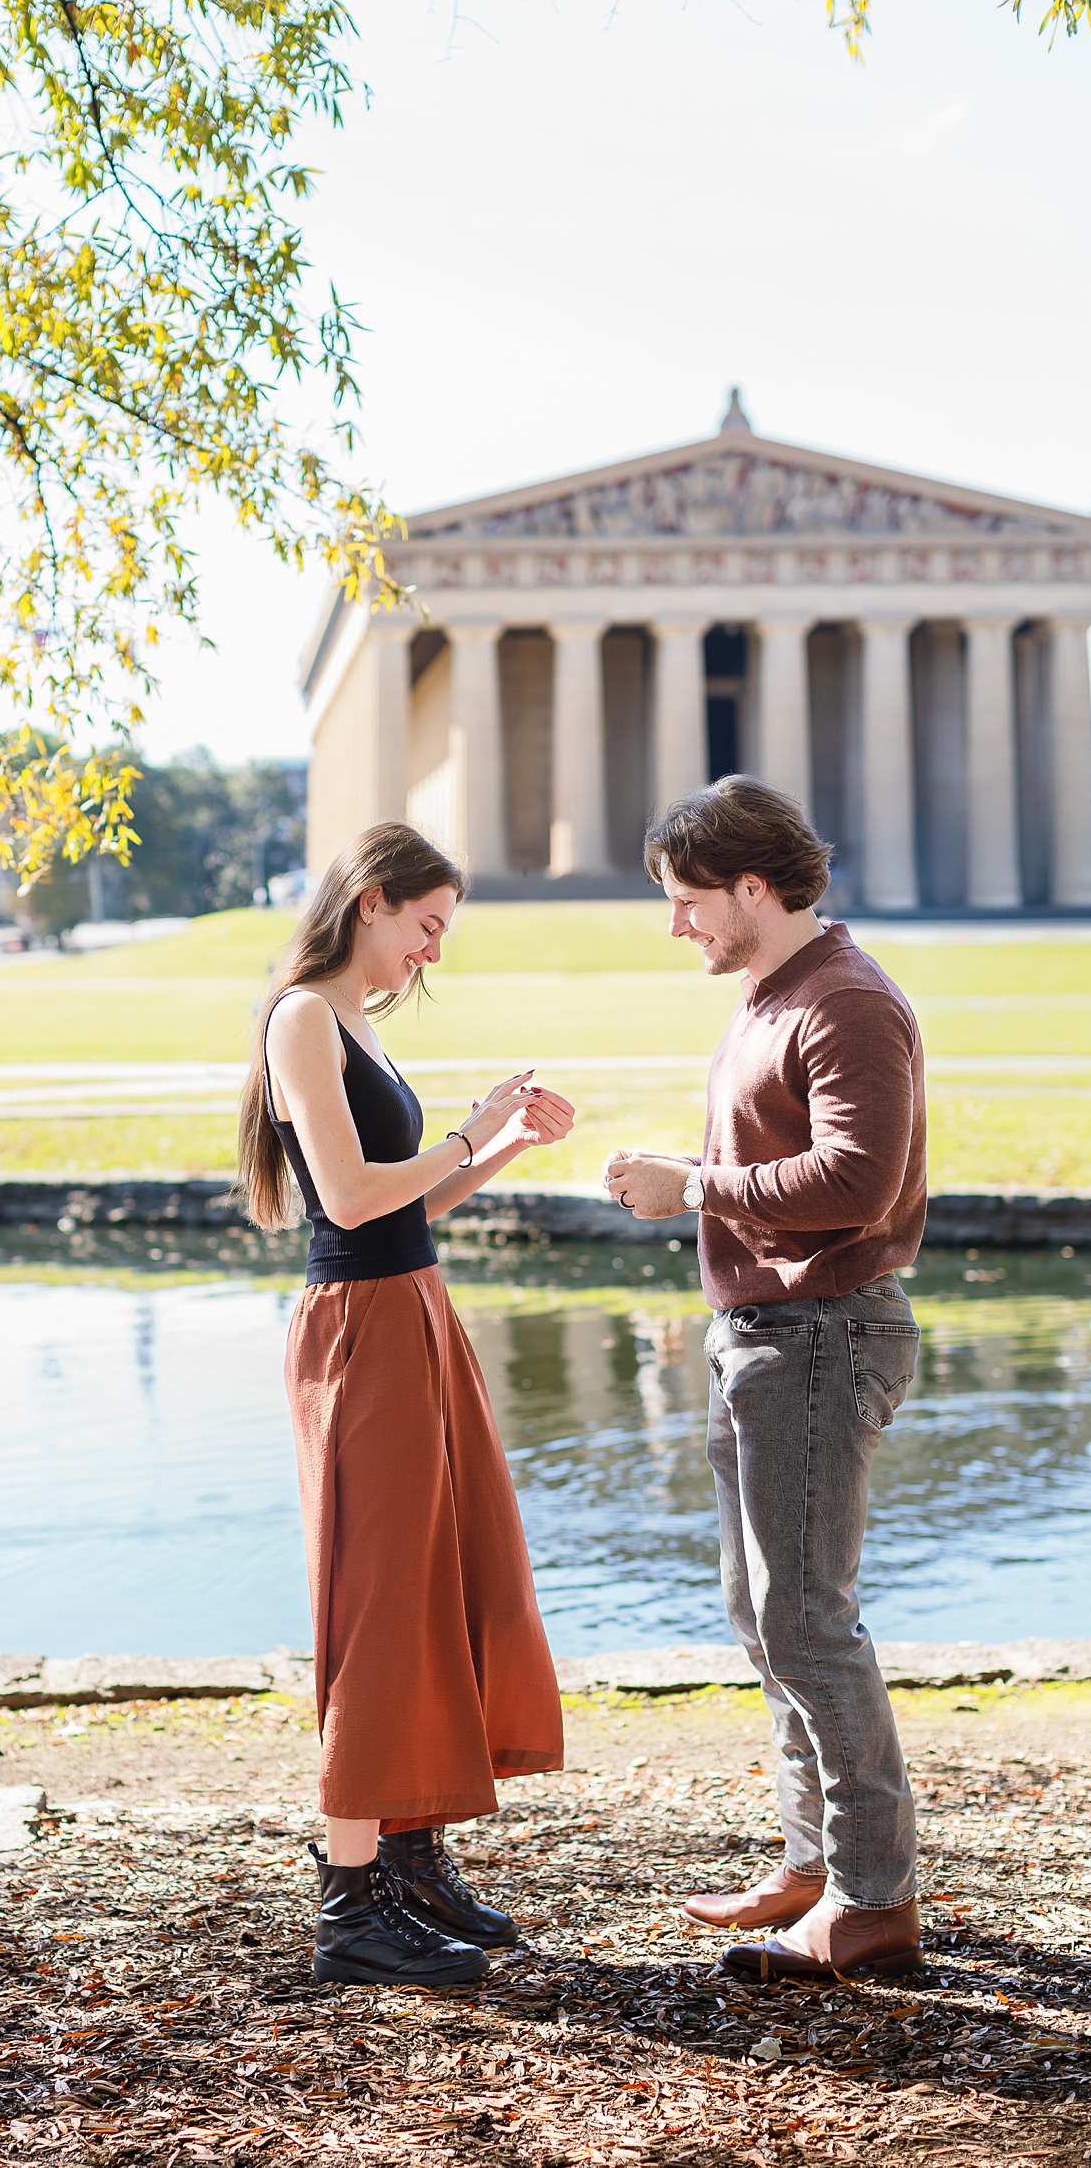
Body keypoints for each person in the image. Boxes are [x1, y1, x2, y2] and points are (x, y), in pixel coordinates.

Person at [237, 821, 574, 1990]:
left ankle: (413, 1865)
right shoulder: (300, 1018)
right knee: (379, 1599)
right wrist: (471, 1128)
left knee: (444, 1576)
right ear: (372, 902)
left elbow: (405, 1202)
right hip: (361, 1333)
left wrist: (502, 1146)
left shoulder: (356, 1028)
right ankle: (351, 1906)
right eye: (426, 925)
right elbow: (346, 1191)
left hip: (412, 1306)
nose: (432, 951)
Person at [603, 777, 927, 1982]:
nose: (676, 923)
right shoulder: (772, 995)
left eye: (689, 901)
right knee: (764, 1619)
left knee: (808, 1621)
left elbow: (858, 1183)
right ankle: (812, 1867)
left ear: (753, 887)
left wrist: (692, 1188)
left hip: (822, 1336)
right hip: (768, 1337)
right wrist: (693, 1170)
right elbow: (785, 1160)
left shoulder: (843, 1001)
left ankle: (873, 1899)